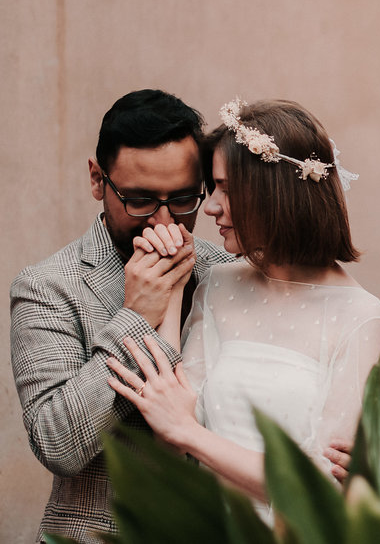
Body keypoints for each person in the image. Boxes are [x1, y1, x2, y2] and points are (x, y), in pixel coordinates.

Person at [105, 98, 380, 514]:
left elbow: (319, 490)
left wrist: (189, 434)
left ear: (274, 192)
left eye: (226, 188)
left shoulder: (362, 319)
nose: (211, 207)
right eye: (213, 187)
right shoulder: (219, 284)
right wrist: (172, 287)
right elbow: (168, 432)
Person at [9, 89, 237, 544]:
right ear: (98, 180)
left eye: (184, 198)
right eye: (140, 200)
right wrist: (135, 315)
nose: (163, 221)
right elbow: (57, 443)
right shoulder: (48, 286)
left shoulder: (228, 274)